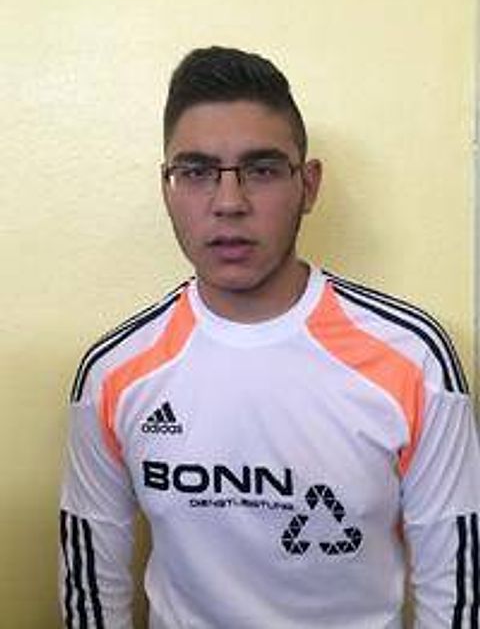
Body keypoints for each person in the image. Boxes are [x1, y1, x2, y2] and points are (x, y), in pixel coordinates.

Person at [59, 46, 480, 628]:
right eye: (196, 172)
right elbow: (91, 591)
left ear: (308, 185)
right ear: (166, 188)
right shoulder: (113, 372)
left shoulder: (415, 358)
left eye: (261, 170)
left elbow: (457, 589)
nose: (229, 203)